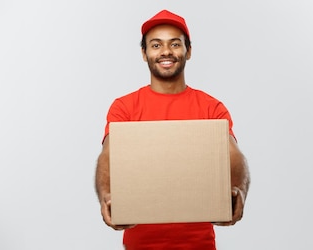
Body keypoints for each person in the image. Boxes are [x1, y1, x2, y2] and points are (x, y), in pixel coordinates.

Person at [95, 9, 250, 250]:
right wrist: (106, 195)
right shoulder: (124, 107)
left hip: (199, 244)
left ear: (188, 51)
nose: (166, 51)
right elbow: (108, 155)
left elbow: (234, 156)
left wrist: (239, 189)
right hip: (140, 243)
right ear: (144, 54)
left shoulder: (211, 107)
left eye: (175, 44)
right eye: (156, 45)